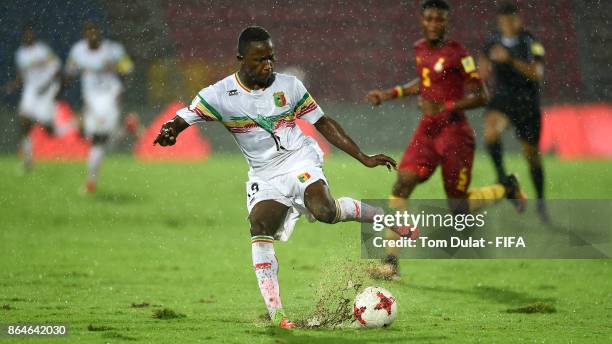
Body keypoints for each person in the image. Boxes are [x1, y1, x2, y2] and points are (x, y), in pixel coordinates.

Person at [153, 26, 408, 329]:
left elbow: (323, 122)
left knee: (325, 212)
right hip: (265, 175)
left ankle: (382, 216)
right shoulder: (219, 95)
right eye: (260, 60)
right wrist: (171, 131)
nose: (268, 65)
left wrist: (363, 157)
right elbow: (185, 115)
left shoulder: (289, 86)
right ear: (241, 60)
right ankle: (277, 313)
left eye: (271, 58)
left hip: (300, 159)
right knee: (259, 224)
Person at [365, 0, 526, 280]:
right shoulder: (419, 48)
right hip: (427, 131)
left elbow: (481, 96)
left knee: (459, 209)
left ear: (446, 23)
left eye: (439, 19)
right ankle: (391, 262)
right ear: (422, 20)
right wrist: (389, 94)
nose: (433, 24)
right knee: (402, 184)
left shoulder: (458, 53)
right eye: (429, 18)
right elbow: (423, 82)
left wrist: (445, 106)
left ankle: (506, 188)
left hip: (454, 135)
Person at [479, 2, 549, 222]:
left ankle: (540, 203)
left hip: (526, 103)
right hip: (502, 100)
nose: (508, 24)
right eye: (504, 20)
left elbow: (537, 73)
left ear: (518, 20)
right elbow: (482, 66)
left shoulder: (532, 43)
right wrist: (482, 75)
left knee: (531, 156)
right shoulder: (492, 42)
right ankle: (503, 179)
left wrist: (510, 59)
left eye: (512, 19)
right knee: (491, 134)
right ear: (500, 22)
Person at [65, 23, 133, 193]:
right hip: (90, 99)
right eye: (89, 33)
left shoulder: (112, 50)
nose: (92, 36)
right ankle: (126, 130)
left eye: (95, 33)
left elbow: (128, 69)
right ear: (84, 35)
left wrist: (122, 90)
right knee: (99, 140)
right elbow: (69, 73)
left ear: (100, 34)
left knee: (98, 140)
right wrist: (61, 96)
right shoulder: (77, 51)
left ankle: (91, 183)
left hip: (109, 97)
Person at [4, 23, 61, 173]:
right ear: (23, 36)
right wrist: (9, 86)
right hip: (30, 92)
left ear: (34, 35)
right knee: (24, 124)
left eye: (31, 33)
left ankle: (69, 131)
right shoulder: (20, 54)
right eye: (26, 34)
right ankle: (28, 162)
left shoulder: (43, 50)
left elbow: (56, 67)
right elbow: (21, 77)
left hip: (45, 92)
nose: (28, 36)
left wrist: (48, 85)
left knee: (49, 130)